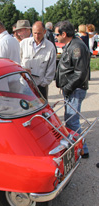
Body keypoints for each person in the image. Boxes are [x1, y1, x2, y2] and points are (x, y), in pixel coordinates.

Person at [55, 20, 90, 158]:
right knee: (70, 119)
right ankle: (80, 148)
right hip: (72, 88)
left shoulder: (77, 47)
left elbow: (80, 73)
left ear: (64, 33)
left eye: (57, 34)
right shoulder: (72, 44)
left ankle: (82, 150)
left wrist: (68, 88)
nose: (56, 37)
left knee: (72, 120)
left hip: (75, 89)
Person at [20, 21, 56, 100]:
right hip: (24, 84)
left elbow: (51, 68)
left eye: (39, 33)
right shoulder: (23, 44)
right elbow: (17, 60)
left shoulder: (50, 47)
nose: (37, 36)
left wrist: (44, 83)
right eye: (35, 33)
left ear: (44, 32)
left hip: (40, 86)